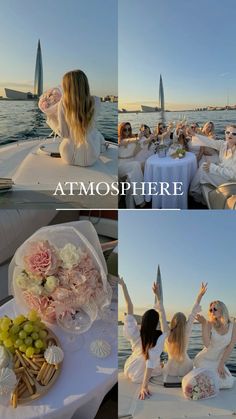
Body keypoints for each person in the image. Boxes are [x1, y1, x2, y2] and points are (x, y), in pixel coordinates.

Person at [119, 277, 166, 400]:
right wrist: (144, 386)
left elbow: (129, 306)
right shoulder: (158, 337)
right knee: (159, 365)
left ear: (143, 321)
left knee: (155, 361)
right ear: (156, 323)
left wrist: (123, 285)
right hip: (140, 374)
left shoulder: (135, 332)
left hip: (129, 367)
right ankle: (159, 367)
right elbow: (149, 362)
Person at [47, 69, 105, 167]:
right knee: (96, 134)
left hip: (68, 156)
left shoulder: (63, 104)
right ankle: (104, 146)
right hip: (91, 157)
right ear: (85, 84)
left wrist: (51, 117)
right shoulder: (96, 101)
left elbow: (64, 133)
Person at [153, 282, 207, 379]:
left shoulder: (167, 333)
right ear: (184, 322)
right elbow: (193, 312)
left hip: (171, 370)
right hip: (187, 369)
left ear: (173, 322)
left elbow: (162, 313)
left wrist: (157, 295)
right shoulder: (186, 331)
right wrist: (200, 295)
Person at [194, 301, 236, 389]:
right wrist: (203, 324)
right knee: (217, 382)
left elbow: (231, 345)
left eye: (215, 309)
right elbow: (207, 344)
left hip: (218, 361)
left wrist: (221, 364)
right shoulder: (209, 323)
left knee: (227, 382)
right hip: (204, 359)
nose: (212, 311)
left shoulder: (233, 325)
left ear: (222, 310)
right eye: (210, 309)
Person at [189, 125, 236, 203]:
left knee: (203, 169)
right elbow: (210, 142)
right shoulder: (223, 144)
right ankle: (194, 191)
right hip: (222, 174)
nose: (230, 135)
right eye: (228, 132)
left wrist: (213, 168)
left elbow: (233, 175)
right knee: (203, 166)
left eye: (234, 134)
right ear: (225, 133)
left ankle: (193, 192)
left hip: (230, 183)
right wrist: (194, 134)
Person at [118, 122, 145, 208]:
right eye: (125, 129)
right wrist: (137, 138)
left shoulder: (133, 138)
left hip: (131, 162)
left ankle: (130, 206)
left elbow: (136, 151)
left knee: (131, 179)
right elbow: (126, 141)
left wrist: (140, 141)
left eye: (129, 129)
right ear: (121, 130)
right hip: (121, 165)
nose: (127, 131)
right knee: (136, 165)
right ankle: (140, 200)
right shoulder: (119, 139)